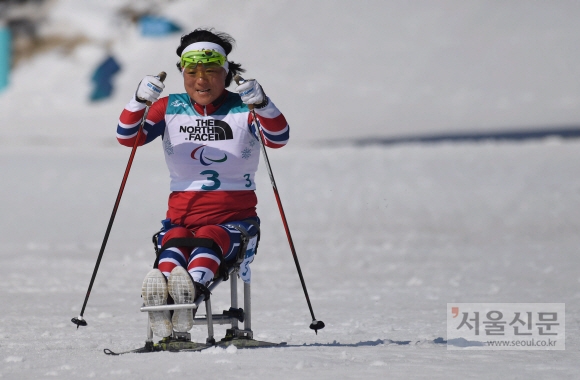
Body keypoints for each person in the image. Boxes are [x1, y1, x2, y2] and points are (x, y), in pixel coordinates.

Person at [116, 28, 289, 338]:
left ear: (226, 73)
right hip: (181, 219)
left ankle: (184, 299)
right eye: (192, 71)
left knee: (208, 237)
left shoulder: (242, 108)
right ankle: (167, 300)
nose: (201, 80)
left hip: (234, 222)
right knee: (177, 240)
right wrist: (138, 101)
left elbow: (278, 138)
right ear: (182, 73)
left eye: (211, 71)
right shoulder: (169, 107)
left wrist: (263, 104)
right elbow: (128, 137)